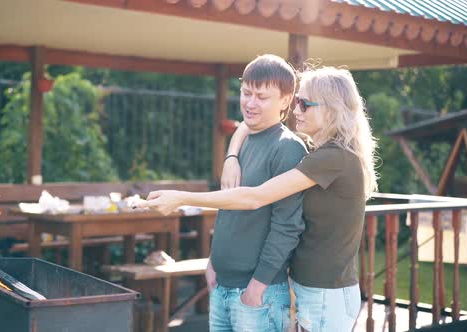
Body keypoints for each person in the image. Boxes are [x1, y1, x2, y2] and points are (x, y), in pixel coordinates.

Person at [137, 66, 378, 332]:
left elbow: (255, 197)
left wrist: (181, 198)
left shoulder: (332, 158)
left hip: (326, 293)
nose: (296, 111)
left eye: (304, 103)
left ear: (331, 109)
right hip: (314, 289)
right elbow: (252, 126)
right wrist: (232, 153)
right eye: (298, 102)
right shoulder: (324, 154)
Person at [185, 54, 309, 331]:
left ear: (286, 101)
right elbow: (229, 205)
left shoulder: (288, 148)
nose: (250, 103)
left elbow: (287, 226)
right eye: (246, 93)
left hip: (256, 295)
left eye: (262, 97)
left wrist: (257, 287)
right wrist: (213, 261)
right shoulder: (241, 141)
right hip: (221, 285)